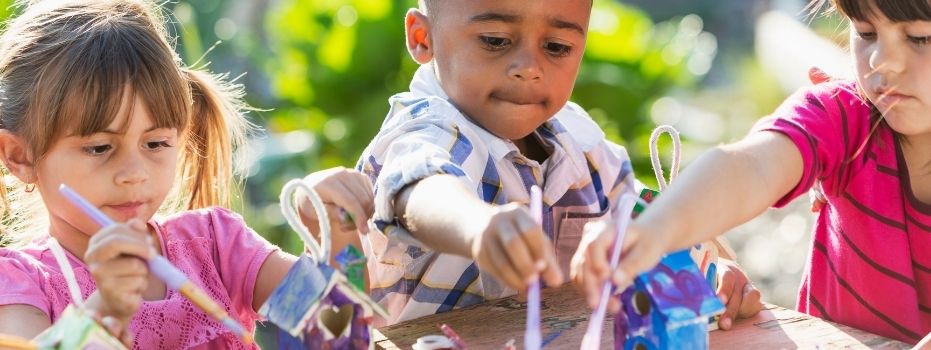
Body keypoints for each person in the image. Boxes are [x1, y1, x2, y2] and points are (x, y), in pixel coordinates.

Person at [356, 0, 758, 326]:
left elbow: (641, 220)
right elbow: (417, 188)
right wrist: (477, 225)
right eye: (495, 40)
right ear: (423, 38)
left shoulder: (577, 140)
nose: (529, 68)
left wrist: (700, 273)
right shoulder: (429, 128)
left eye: (557, 47)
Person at [0, 1, 373, 348]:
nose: (134, 173)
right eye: (99, 148)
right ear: (19, 156)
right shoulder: (21, 284)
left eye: (156, 143)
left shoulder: (215, 246)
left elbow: (339, 335)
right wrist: (104, 311)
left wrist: (335, 221)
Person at [573, 0, 931, 344]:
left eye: (920, 38)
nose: (882, 62)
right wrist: (655, 229)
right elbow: (751, 166)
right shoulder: (843, 116)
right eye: (866, 32)